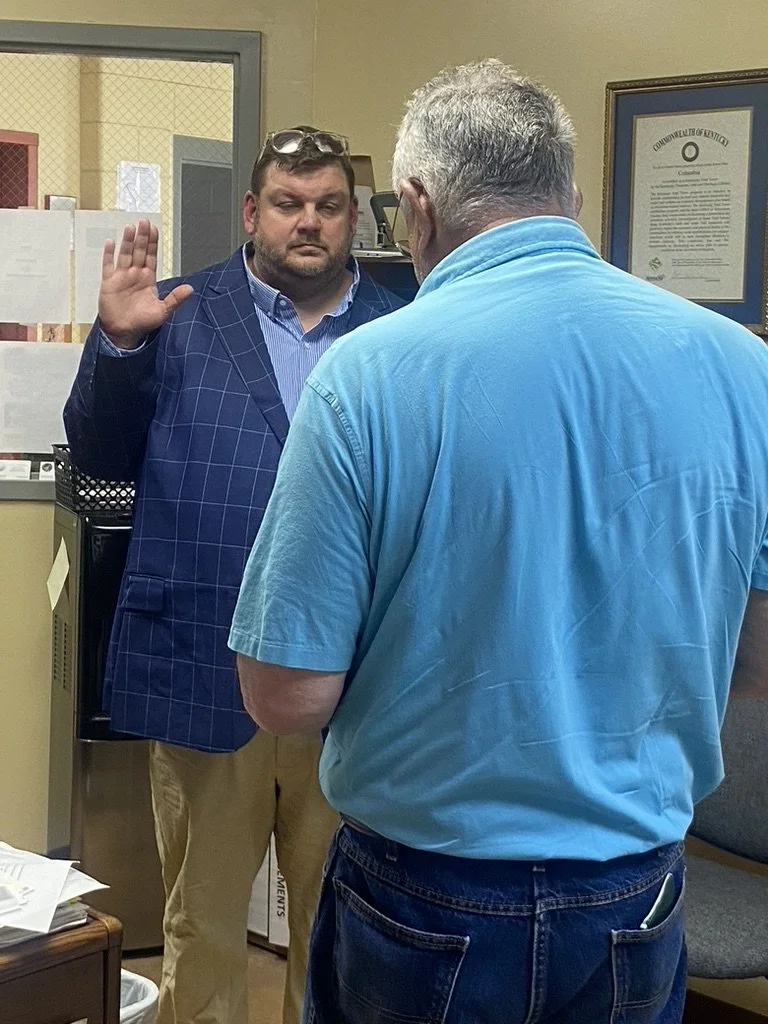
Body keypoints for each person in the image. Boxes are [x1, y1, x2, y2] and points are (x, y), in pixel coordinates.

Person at [228, 62, 768, 1024]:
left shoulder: (368, 376)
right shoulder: (742, 367)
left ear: (419, 208)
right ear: (571, 195)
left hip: (424, 895)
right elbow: (755, 661)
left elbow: (287, 694)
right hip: (636, 890)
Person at [64, 125, 403, 1024]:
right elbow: (98, 455)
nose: (309, 224)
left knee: (341, 924)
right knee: (202, 923)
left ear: (353, 218)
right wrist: (120, 345)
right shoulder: (177, 310)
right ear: (253, 211)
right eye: (289, 203)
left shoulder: (401, 330)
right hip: (202, 662)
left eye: (329, 206)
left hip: (357, 682)